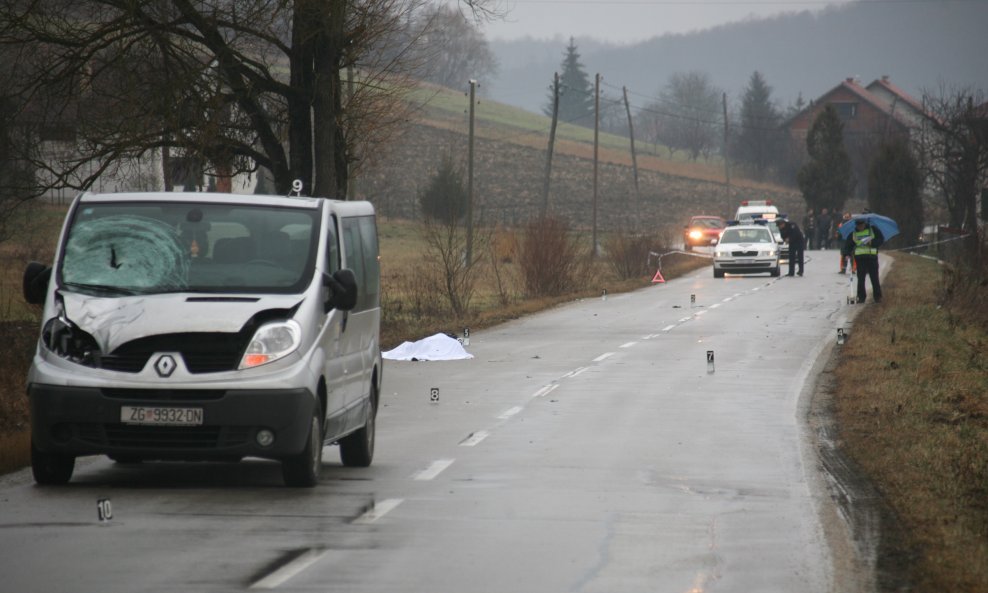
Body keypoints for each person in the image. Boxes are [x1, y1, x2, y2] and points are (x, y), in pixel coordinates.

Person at [845, 217, 885, 303]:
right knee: (861, 278)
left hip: (872, 257)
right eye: (858, 226)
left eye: (861, 225)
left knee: (874, 277)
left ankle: (877, 297)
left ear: (864, 224)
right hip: (860, 258)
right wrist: (847, 254)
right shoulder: (854, 233)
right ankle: (861, 297)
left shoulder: (873, 230)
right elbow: (849, 244)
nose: (860, 227)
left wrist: (872, 243)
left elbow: (881, 240)